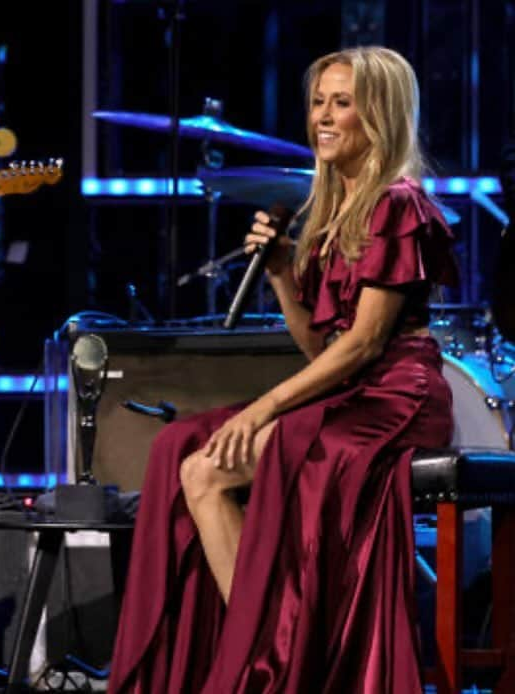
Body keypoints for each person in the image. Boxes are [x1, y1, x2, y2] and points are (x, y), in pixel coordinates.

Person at [107, 46, 459, 693]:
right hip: (351, 388)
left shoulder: (398, 203)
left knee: (218, 467)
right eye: (318, 102)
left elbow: (364, 345)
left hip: (398, 396)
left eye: (341, 103)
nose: (323, 117)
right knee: (181, 451)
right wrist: (278, 272)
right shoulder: (328, 213)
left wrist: (263, 408)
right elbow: (321, 348)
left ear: (376, 115)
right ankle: (267, 647)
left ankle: (271, 662)